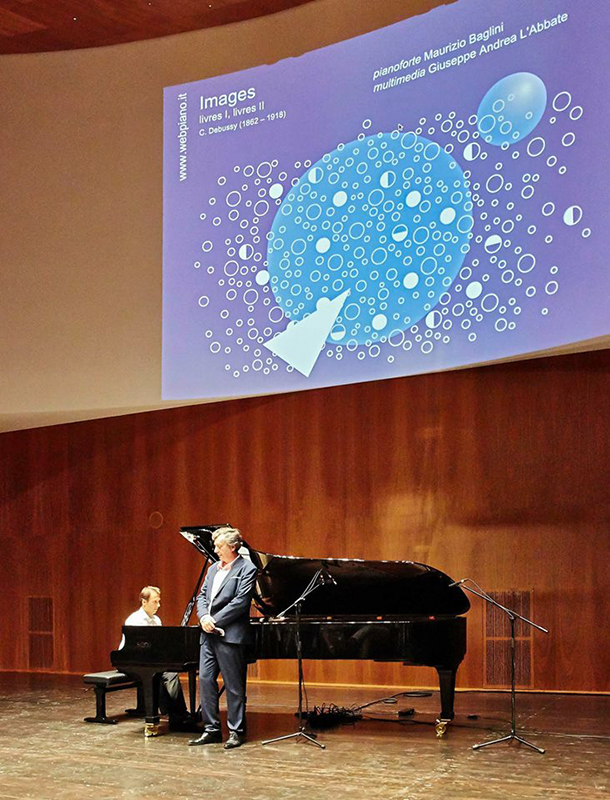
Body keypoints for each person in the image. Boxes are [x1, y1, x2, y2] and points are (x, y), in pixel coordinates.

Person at [189, 527, 258, 749]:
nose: (216, 550)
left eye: (219, 546)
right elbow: (201, 596)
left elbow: (240, 602)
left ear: (233, 547)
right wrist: (203, 618)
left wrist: (214, 620)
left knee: (233, 685)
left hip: (230, 636)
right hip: (208, 635)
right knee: (206, 681)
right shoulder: (212, 569)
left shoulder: (247, 568)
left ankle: (236, 731)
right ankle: (211, 729)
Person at [120, 585, 189, 730]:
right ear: (144, 602)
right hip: (130, 661)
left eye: (159, 601)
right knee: (163, 674)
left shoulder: (156, 620)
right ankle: (176, 714)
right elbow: (135, 650)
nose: (158, 605)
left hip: (149, 661)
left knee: (170, 673)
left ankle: (178, 714)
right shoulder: (135, 620)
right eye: (155, 601)